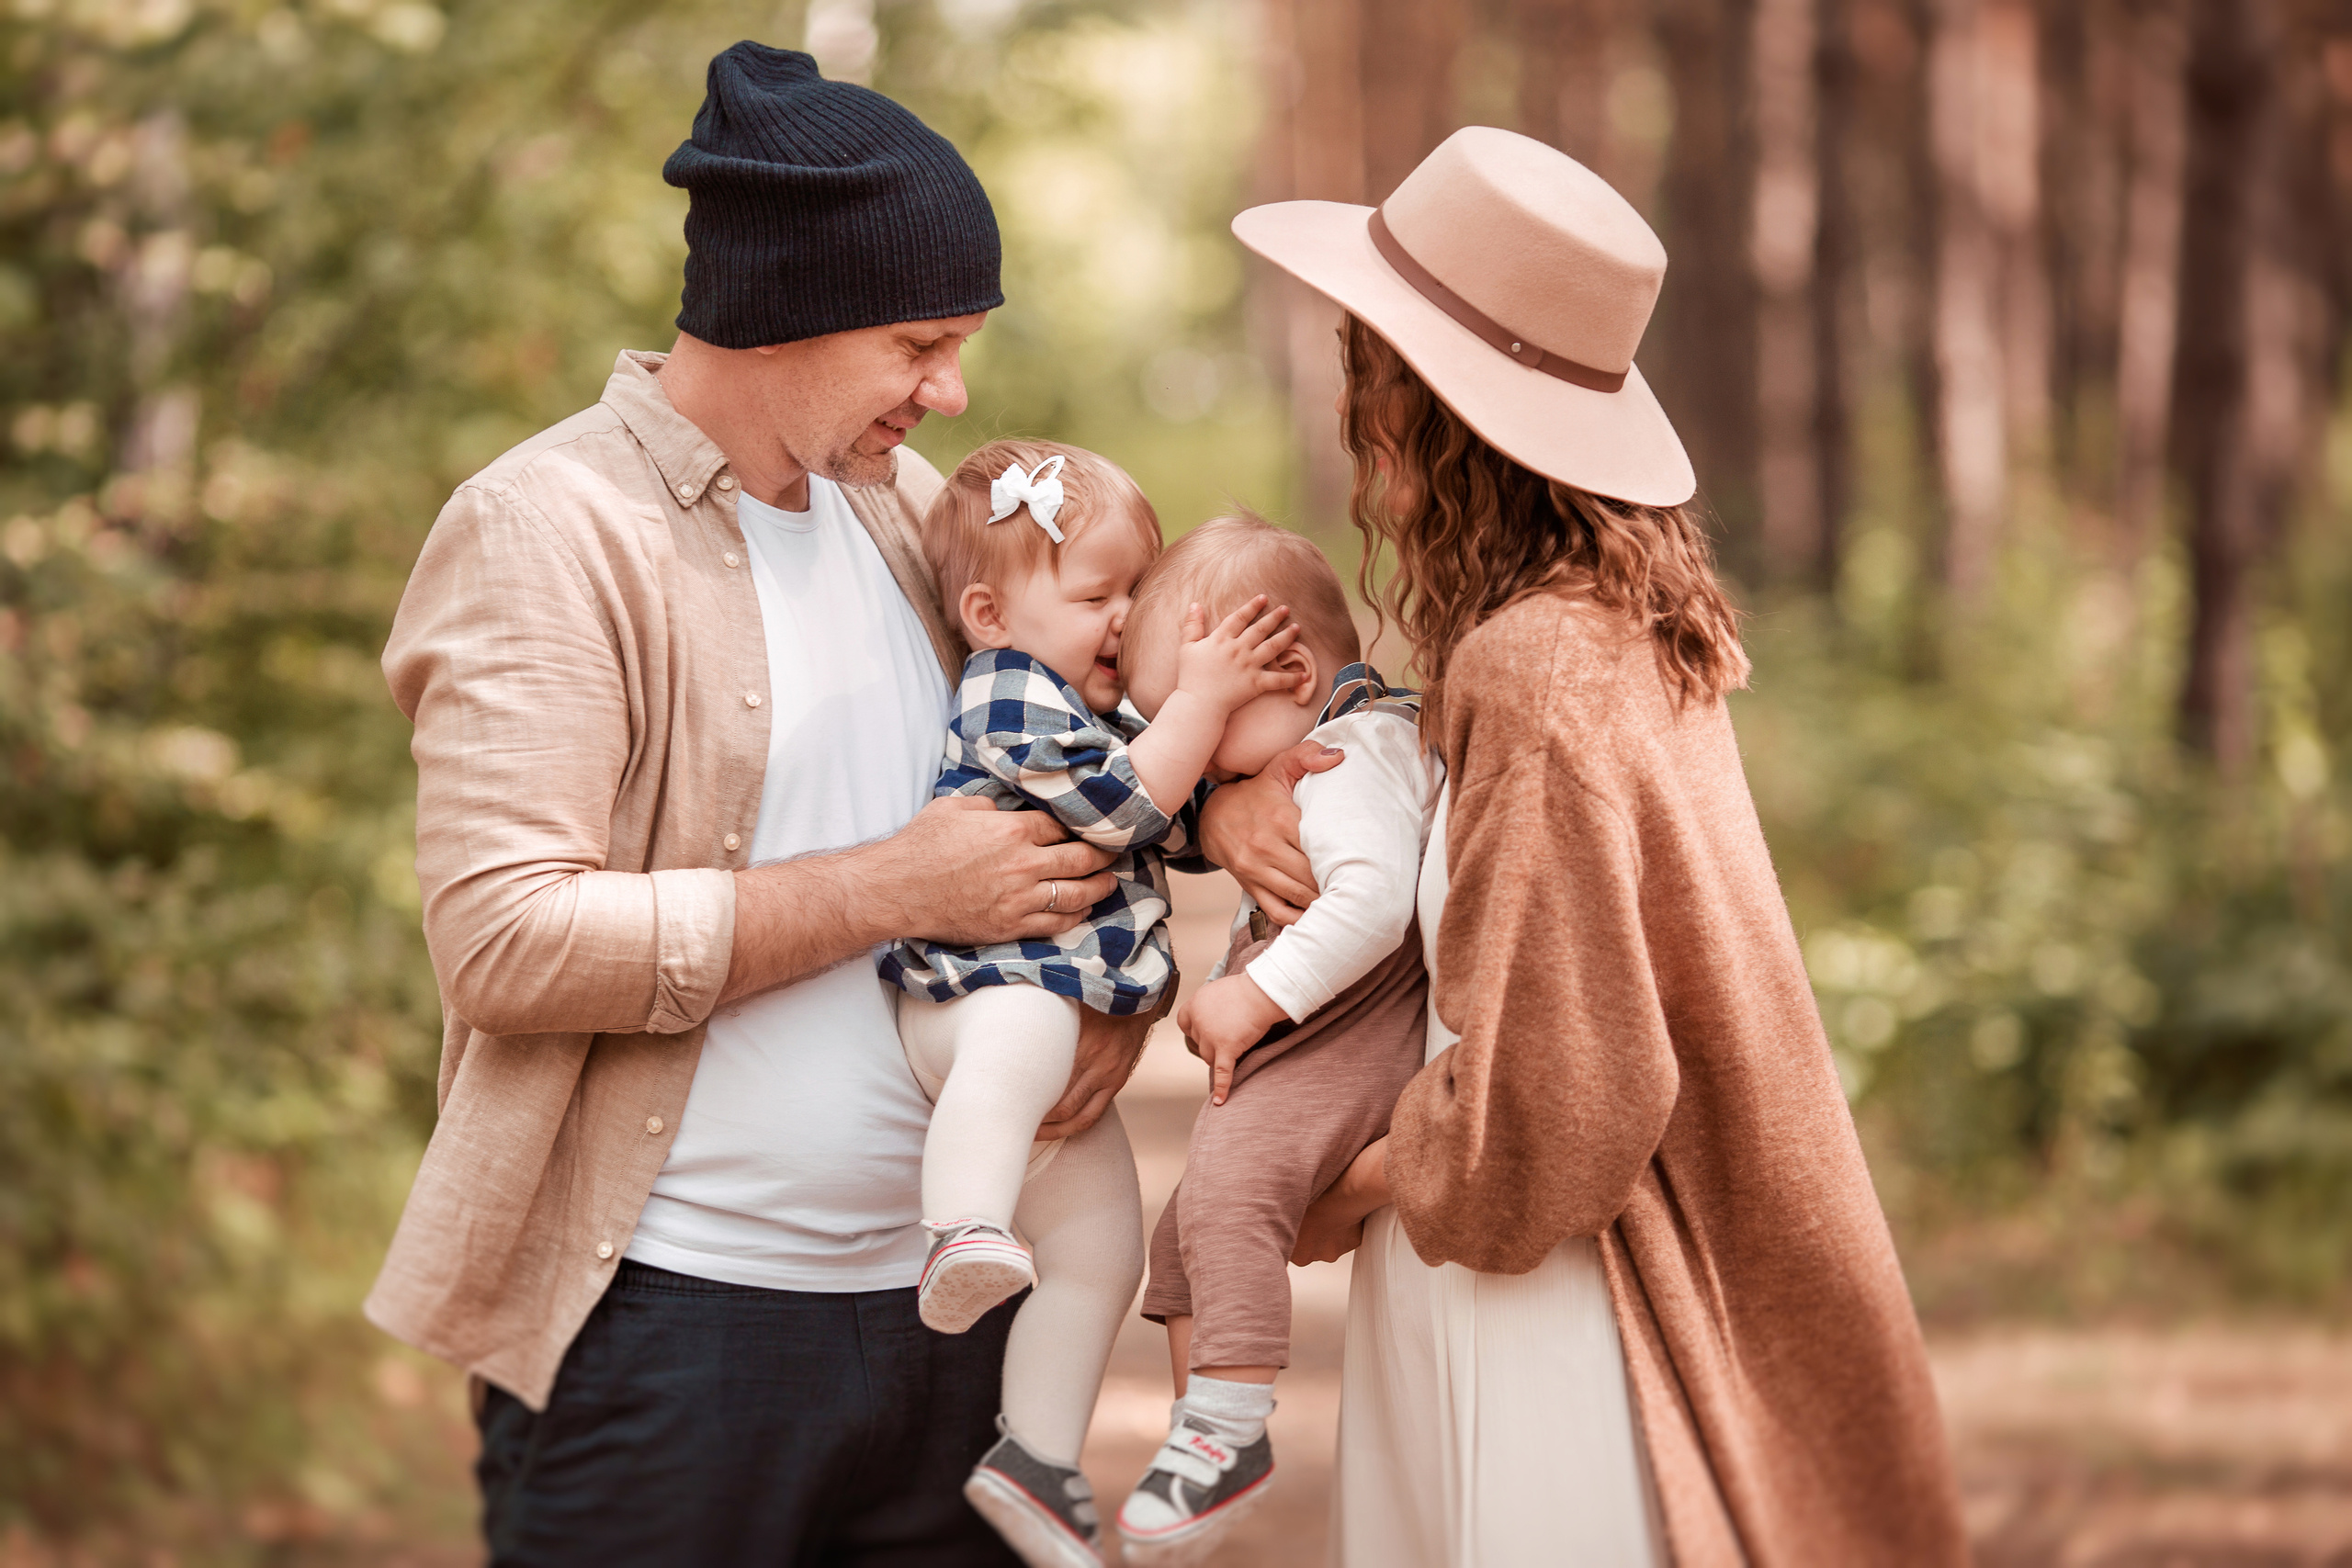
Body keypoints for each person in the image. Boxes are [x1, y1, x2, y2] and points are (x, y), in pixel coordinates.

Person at [361, 45, 1314, 1565]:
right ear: (783, 308)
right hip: (668, 1341)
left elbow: (1049, 793)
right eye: (919, 344)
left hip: (945, 1341)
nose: (950, 390)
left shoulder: (919, 521)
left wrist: (1194, 873)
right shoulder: (550, 531)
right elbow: (506, 941)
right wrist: (894, 889)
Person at [1239, 127, 1972, 1563]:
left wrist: (1337, 1188)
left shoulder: (1535, 666)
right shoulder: (1592, 629)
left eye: (1370, 361)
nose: (1350, 400)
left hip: (1551, 1312)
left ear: (1426, 402)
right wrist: (1230, 804)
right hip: (1521, 1271)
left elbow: (1560, 1103)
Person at [877, 440, 1303, 1567]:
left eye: (1137, 592)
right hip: (966, 1012)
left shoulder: (1099, 704)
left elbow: (1181, 812)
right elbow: (1123, 810)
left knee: (1102, 1247)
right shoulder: (1006, 692)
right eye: (1095, 595)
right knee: (1020, 1026)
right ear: (989, 611)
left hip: (1049, 1052)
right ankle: (960, 1224)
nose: (1124, 619)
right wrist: (1204, 703)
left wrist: (1250, 763)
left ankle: (1039, 1460)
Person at [1112, 514, 1442, 1566]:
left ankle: (1230, 1428)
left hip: (1359, 1024)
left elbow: (1373, 901)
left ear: (1289, 668)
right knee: (1185, 1240)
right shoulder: (1321, 750)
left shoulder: (1352, 753)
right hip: (1323, 1021)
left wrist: (1253, 1001)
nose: (1196, 757)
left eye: (1203, 724)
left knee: (1233, 1189)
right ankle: (1194, 1431)